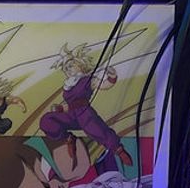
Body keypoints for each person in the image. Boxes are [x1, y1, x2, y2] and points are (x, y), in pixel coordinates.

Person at [39, 43, 133, 171]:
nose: (68, 69)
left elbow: (104, 85)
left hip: (84, 113)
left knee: (99, 131)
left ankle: (119, 150)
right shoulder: (69, 84)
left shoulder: (87, 80)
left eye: (71, 65)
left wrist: (112, 77)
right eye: (65, 68)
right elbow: (67, 103)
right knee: (47, 120)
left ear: (81, 64)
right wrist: (60, 109)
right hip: (70, 115)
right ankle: (68, 138)